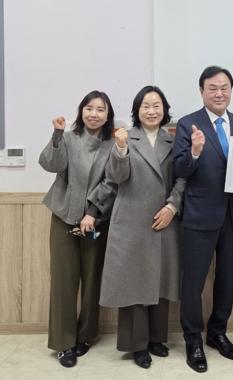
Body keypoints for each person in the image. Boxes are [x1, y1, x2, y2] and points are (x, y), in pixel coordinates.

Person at [99, 86, 185, 369]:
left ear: (165, 110)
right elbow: (117, 177)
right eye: (145, 106)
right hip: (131, 221)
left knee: (160, 280)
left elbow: (182, 179)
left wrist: (172, 206)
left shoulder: (173, 140)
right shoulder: (125, 137)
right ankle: (137, 344)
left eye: (156, 105)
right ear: (137, 110)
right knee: (134, 283)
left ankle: (157, 339)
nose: (151, 111)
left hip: (164, 220)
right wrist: (121, 149)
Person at [172, 66, 233, 373]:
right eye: (213, 88)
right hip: (199, 214)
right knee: (193, 281)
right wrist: (194, 151)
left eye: (224, 87)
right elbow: (179, 169)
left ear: (231, 90)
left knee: (227, 278)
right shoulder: (188, 123)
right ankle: (193, 339)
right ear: (201, 91)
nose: (219, 93)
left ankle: (218, 332)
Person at [39, 90, 117, 368]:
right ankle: (64, 343)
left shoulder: (113, 145)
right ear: (81, 111)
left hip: (96, 222)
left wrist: (92, 213)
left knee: (92, 280)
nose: (94, 114)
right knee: (63, 282)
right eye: (89, 108)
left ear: (108, 115)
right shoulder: (69, 138)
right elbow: (50, 164)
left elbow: (112, 183)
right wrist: (57, 135)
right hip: (64, 217)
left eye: (100, 109)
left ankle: (85, 336)